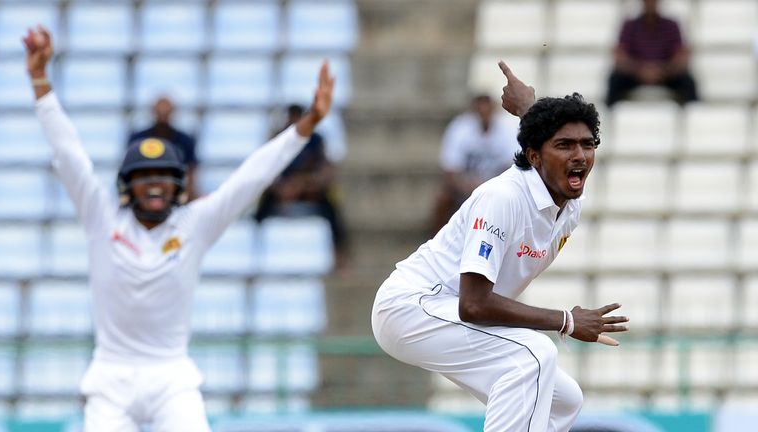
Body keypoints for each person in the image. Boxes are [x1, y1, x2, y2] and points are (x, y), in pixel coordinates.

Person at [24, 25, 334, 432]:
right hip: (110, 379)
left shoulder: (196, 223)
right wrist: (40, 81)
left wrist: (306, 124)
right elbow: (69, 154)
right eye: (144, 175)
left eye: (164, 175)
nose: (154, 184)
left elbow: (252, 177)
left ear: (179, 182)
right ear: (126, 185)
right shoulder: (101, 217)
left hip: (171, 377)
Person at [371, 61, 629, 432]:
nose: (580, 156)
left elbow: (543, 136)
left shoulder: (570, 205)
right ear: (534, 156)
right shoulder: (502, 198)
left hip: (450, 314)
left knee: (563, 400)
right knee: (536, 354)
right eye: (566, 145)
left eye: (588, 145)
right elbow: (474, 304)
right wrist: (567, 321)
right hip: (411, 307)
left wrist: (531, 110)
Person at [255, 104, 349, 272]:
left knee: (333, 210)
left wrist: (302, 185)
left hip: (309, 191)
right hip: (281, 192)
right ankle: (254, 252)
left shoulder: (317, 140)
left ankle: (339, 257)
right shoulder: (277, 140)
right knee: (258, 213)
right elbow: (265, 172)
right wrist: (281, 189)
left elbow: (326, 172)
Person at [431, 94, 519, 234]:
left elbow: (512, 165)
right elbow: (450, 169)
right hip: (464, 185)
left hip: (497, 185)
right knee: (443, 199)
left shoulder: (506, 128)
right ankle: (436, 239)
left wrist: (489, 185)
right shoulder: (459, 128)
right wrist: (466, 186)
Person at [606, 0, 698, 106]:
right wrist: (641, 71)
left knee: (687, 81)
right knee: (615, 79)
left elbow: (681, 56)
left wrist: (661, 71)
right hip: (636, 74)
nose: (650, 3)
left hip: (665, 75)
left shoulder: (671, 26)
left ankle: (696, 116)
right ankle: (607, 116)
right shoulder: (630, 26)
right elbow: (620, 56)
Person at [128, 95, 199, 200]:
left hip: (176, 193)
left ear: (173, 112)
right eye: (159, 112)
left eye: (166, 112)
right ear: (152, 112)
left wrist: (190, 194)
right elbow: (128, 169)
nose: (163, 116)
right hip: (142, 193)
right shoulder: (138, 139)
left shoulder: (185, 140)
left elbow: (191, 171)